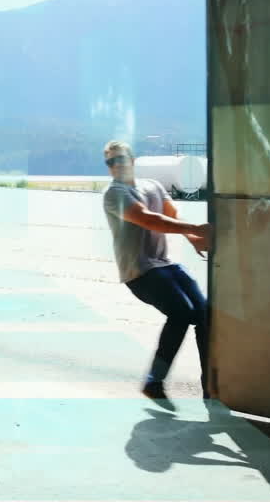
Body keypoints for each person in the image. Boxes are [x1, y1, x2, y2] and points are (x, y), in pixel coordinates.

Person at [101, 140, 212, 406]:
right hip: (139, 271)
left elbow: (171, 214)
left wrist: (192, 238)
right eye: (111, 162)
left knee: (205, 315)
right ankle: (154, 382)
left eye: (121, 159)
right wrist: (196, 229)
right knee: (181, 312)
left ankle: (211, 383)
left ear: (132, 160)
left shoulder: (152, 185)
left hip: (164, 263)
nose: (117, 165)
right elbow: (149, 219)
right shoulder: (114, 193)